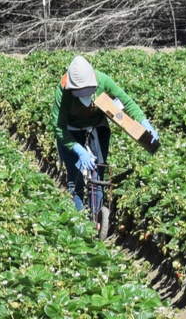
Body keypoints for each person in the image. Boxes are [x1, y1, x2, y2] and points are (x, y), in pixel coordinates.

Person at [52, 55, 157, 213]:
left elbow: (126, 101)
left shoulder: (102, 80)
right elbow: (58, 126)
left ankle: (96, 218)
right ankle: (79, 218)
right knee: (75, 178)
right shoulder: (64, 90)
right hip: (71, 130)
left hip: (96, 127)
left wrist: (143, 122)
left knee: (97, 177)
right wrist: (78, 150)